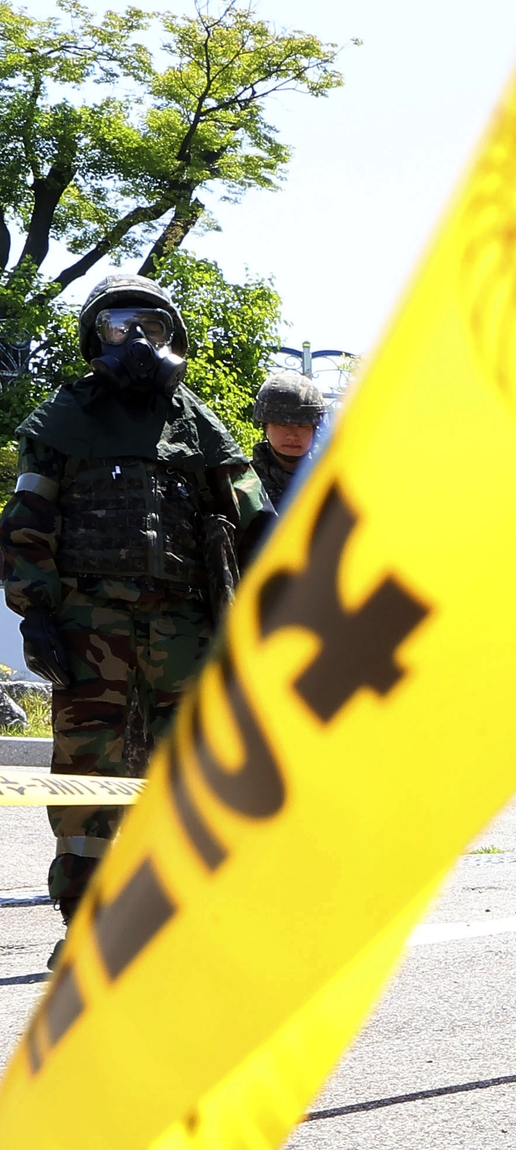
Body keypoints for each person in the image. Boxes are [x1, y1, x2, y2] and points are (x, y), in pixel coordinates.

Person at [5, 273, 270, 934]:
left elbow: (255, 519)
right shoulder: (67, 414)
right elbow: (27, 519)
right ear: (97, 336)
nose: (138, 342)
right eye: (121, 327)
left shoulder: (195, 420)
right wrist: (34, 613)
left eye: (150, 328)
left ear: (170, 335)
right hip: (90, 625)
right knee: (88, 774)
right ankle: (87, 923)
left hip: (185, 629)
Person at [247, 369, 326, 527]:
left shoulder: (326, 480)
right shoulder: (243, 481)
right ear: (265, 426)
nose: (292, 435)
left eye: (302, 425)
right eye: (282, 424)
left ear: (314, 429)